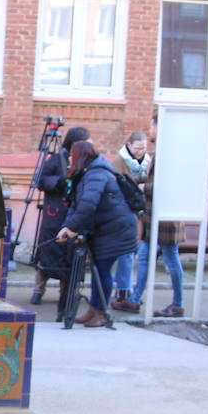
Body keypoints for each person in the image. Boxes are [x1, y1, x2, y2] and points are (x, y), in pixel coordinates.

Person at [57, 140, 139, 327]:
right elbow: (77, 205)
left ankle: (100, 313)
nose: (69, 158)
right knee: (98, 270)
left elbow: (88, 205)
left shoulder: (96, 174)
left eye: (72, 155)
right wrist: (67, 226)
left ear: (80, 156)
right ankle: (94, 309)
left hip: (115, 231)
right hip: (107, 230)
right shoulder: (89, 173)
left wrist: (71, 229)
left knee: (102, 271)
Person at [126, 115, 185, 317]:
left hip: (165, 218)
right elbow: (155, 178)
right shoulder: (163, 151)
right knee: (146, 257)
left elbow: (165, 185)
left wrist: (142, 186)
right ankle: (134, 299)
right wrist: (135, 178)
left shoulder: (169, 152)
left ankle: (177, 303)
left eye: (152, 125)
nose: (149, 129)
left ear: (159, 127)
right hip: (157, 216)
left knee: (171, 260)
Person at [32, 126, 91, 321]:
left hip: (71, 216)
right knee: (47, 254)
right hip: (54, 215)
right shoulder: (57, 159)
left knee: (68, 258)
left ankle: (64, 296)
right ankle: (38, 290)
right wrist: (59, 181)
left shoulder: (84, 161)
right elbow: (40, 180)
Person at [109, 131, 151, 310]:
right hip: (122, 214)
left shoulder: (147, 162)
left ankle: (122, 291)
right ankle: (121, 291)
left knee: (129, 253)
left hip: (136, 214)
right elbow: (117, 186)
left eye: (144, 148)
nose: (141, 152)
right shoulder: (119, 162)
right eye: (138, 148)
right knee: (125, 253)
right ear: (129, 145)